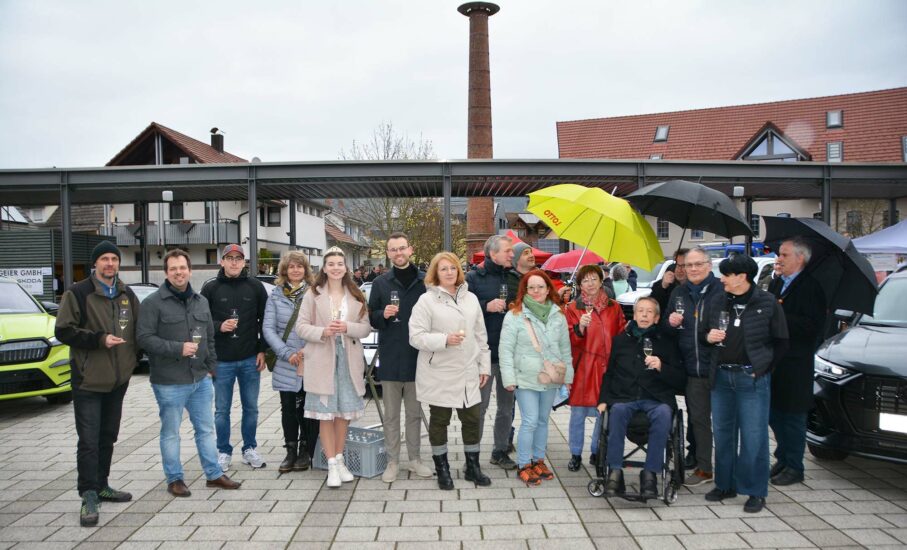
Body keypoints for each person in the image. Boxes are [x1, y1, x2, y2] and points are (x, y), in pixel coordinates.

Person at [137, 249, 241, 498]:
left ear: (190, 271)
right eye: (173, 269)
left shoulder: (200, 301)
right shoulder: (152, 303)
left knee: (206, 429)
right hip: (169, 381)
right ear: (166, 273)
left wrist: (211, 367)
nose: (178, 273)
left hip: (200, 378)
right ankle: (174, 479)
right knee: (171, 433)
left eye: (182, 268)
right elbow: (144, 338)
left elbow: (209, 337)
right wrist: (178, 348)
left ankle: (213, 474)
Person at [55, 241, 140, 526]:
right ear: (95, 263)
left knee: (108, 436)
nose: (110, 263)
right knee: (89, 441)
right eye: (104, 259)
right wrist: (99, 339)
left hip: (118, 381)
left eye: (114, 259)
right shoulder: (78, 292)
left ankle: (102, 485)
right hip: (89, 381)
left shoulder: (127, 294)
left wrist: (132, 362)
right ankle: (88, 494)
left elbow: (139, 331)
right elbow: (63, 331)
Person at [704, 254, 788, 514]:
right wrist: (708, 336)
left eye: (726, 274)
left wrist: (764, 369)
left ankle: (755, 491)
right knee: (723, 434)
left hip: (751, 378)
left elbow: (782, 341)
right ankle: (725, 485)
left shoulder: (767, 302)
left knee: (754, 437)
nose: (722, 279)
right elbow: (703, 333)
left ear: (742, 277)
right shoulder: (718, 300)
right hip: (721, 377)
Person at [409, 252, 492, 490]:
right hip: (439, 372)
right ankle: (442, 468)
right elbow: (415, 337)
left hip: (468, 370)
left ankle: (472, 467)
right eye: (443, 268)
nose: (449, 272)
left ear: (459, 270)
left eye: (453, 268)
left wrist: (484, 366)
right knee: (439, 421)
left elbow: (480, 336)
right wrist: (444, 339)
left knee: (472, 419)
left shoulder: (471, 299)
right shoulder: (426, 301)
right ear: (435, 273)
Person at [296, 247, 372, 487]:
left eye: (340, 264)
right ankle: (330, 464)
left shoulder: (356, 294)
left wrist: (347, 327)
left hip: (348, 359)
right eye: (331, 264)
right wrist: (323, 331)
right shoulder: (312, 294)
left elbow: (365, 328)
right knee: (326, 414)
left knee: (343, 414)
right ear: (324, 268)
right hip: (322, 358)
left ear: (346, 268)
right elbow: (301, 327)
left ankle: (340, 459)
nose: (336, 268)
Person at [597, 297, 685, 498]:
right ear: (634, 315)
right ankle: (615, 472)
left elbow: (680, 379)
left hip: (656, 398)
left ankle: (650, 474)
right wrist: (603, 400)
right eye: (640, 311)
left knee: (664, 413)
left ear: (657, 318)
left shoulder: (667, 342)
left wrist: (662, 367)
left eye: (649, 312)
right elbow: (610, 374)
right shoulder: (620, 341)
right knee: (616, 410)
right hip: (625, 397)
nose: (644, 315)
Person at [367, 232, 433, 482]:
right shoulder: (380, 283)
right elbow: (371, 317)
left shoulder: (425, 281)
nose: (398, 253)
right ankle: (393, 460)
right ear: (388, 253)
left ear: (410, 249)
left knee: (414, 414)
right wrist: (382, 314)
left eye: (402, 248)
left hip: (418, 358)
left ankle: (415, 459)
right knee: (391, 415)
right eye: (393, 249)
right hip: (391, 357)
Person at [499, 269, 574, 486]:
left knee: (543, 420)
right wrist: (509, 378)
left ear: (548, 289)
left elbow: (565, 348)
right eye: (531, 287)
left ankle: (538, 460)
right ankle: (524, 464)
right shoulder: (514, 315)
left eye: (540, 287)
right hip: (526, 377)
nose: (536, 291)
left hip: (550, 376)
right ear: (524, 290)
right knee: (530, 421)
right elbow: (505, 349)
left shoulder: (558, 315)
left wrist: (568, 376)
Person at [201, 244, 269, 471]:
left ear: (243, 262)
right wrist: (219, 326)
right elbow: (200, 321)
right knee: (222, 410)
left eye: (238, 258)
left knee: (251, 408)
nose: (233, 262)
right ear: (222, 261)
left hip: (250, 358)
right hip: (222, 361)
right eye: (229, 258)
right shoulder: (210, 288)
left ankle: (249, 449)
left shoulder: (255, 286)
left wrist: (262, 350)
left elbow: (265, 321)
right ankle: (223, 451)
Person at [768, 238, 826, 486]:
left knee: (792, 416)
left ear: (800, 258)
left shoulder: (811, 287)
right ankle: (783, 457)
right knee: (774, 413)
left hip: (796, 362)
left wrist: (780, 315)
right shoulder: (776, 282)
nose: (779, 259)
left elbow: (813, 326)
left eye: (784, 255)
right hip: (775, 359)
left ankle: (795, 466)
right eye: (779, 254)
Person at [665, 246, 723, 487]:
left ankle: (729, 467)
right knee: (699, 420)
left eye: (698, 264)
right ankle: (705, 468)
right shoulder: (679, 293)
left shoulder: (722, 290)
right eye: (689, 265)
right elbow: (667, 328)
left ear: (709, 265)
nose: (693, 269)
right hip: (693, 369)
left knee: (725, 422)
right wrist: (670, 322)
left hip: (721, 367)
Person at [563, 264, 625, 472]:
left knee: (603, 412)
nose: (589, 284)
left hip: (607, 367)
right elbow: (568, 340)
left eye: (593, 279)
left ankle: (597, 450)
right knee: (578, 414)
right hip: (584, 368)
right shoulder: (573, 308)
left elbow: (620, 335)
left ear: (601, 281)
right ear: (579, 285)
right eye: (585, 280)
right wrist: (580, 327)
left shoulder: (614, 307)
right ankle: (575, 453)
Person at [262, 250, 319, 473]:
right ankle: (290, 450)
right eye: (291, 266)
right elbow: (268, 328)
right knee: (288, 408)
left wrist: (307, 350)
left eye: (300, 266)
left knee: (307, 407)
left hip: (309, 358)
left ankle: (306, 449)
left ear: (306, 269)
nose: (295, 270)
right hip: (286, 361)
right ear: (284, 270)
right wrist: (286, 353)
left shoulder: (315, 293)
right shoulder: (275, 295)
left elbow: (320, 324)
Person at [466, 234, 518, 469]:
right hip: (483, 355)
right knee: (479, 407)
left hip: (508, 355)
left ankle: (500, 451)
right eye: (508, 250)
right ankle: (472, 455)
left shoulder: (513, 278)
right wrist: (485, 306)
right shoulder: (473, 278)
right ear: (493, 253)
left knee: (506, 409)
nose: (512, 254)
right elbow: (462, 312)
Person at [650, 249, 689, 314]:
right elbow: (652, 307)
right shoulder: (663, 284)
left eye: (683, 266)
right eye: (677, 265)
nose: (679, 270)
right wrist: (663, 286)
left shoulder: (696, 286)